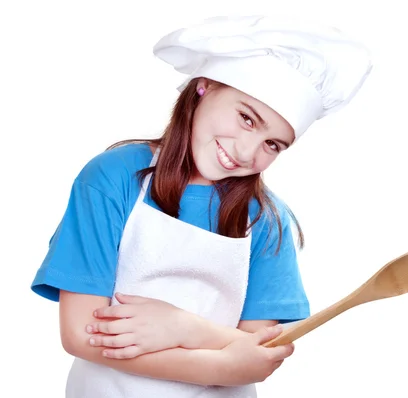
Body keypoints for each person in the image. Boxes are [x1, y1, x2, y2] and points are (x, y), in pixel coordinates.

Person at [31, 14, 372, 398]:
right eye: (246, 118)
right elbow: (80, 333)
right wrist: (219, 364)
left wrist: (184, 327)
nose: (245, 152)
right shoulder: (114, 178)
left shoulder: (266, 220)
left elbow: (257, 352)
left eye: (272, 144)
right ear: (205, 86)